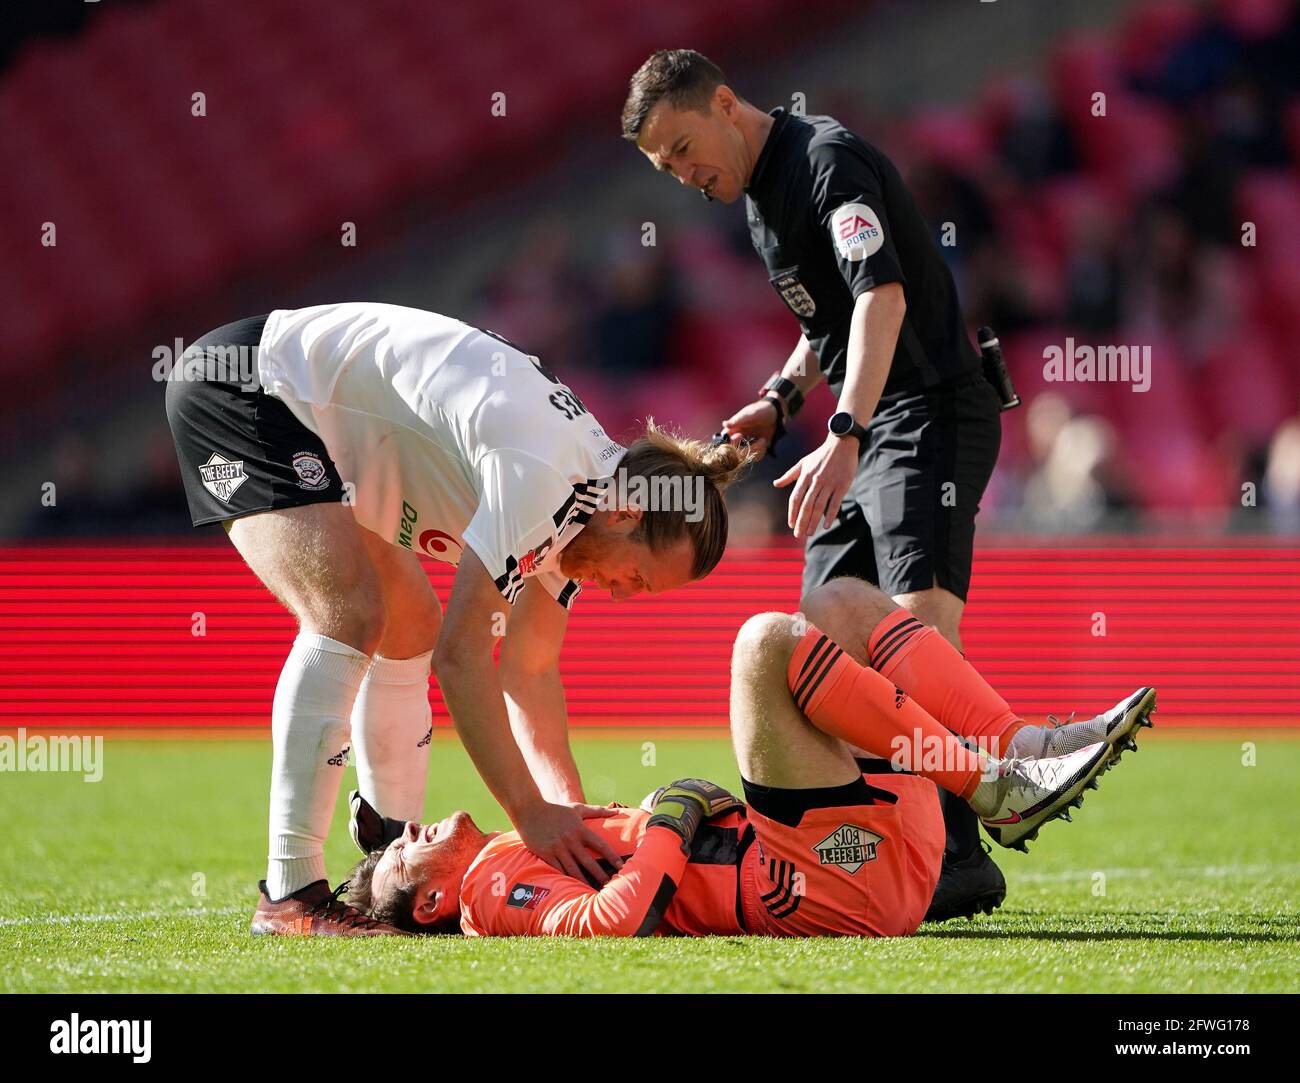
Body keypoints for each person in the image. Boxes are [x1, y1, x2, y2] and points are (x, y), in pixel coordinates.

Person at [164, 302, 750, 935]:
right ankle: (290, 896)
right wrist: (528, 813)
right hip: (251, 385)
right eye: (636, 577)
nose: (620, 594)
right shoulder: (548, 479)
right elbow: (463, 656)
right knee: (349, 616)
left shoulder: (589, 504)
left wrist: (571, 818)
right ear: (628, 515)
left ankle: (385, 849)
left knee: (409, 623)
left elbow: (528, 671)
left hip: (325, 431)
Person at [622, 50, 1009, 920]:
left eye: (685, 148)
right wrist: (780, 398)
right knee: (827, 630)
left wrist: (844, 430)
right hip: (873, 421)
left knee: (917, 631)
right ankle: (889, 844)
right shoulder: (762, 200)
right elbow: (828, 323)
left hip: (928, 408)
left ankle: (961, 848)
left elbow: (881, 300)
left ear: (725, 104)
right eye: (666, 168)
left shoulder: (826, 164)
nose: (684, 175)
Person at [345, 577, 1156, 938]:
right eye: (401, 857)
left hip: (865, 860)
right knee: (764, 643)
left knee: (838, 602)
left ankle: (1020, 753)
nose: (407, 832)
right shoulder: (488, 890)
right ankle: (992, 786)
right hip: (817, 885)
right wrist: (673, 811)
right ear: (429, 904)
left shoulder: (505, 849)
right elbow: (611, 921)